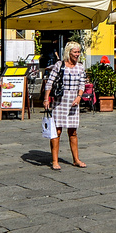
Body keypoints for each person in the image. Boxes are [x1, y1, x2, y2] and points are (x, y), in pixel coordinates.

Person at [43, 42, 87, 170]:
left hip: (74, 102)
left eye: (78, 52)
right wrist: (46, 99)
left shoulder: (80, 67)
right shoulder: (59, 65)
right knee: (57, 131)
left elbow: (82, 84)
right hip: (60, 102)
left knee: (73, 131)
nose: (77, 55)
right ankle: (55, 161)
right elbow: (49, 82)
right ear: (69, 52)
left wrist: (79, 97)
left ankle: (76, 159)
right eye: (75, 52)